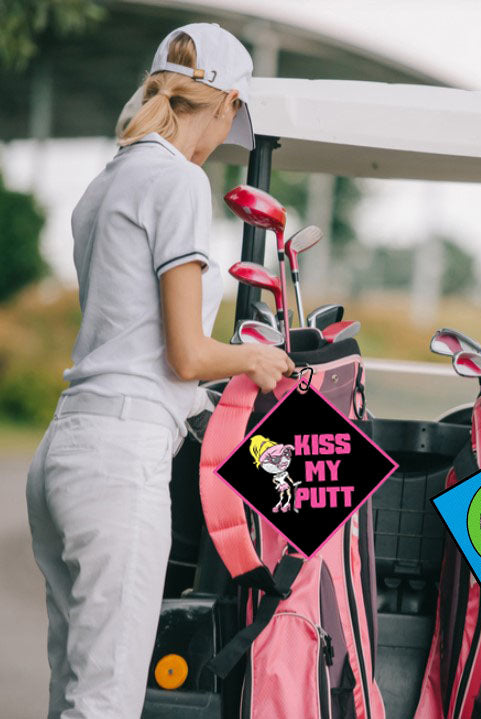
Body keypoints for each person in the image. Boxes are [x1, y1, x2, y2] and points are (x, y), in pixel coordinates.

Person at [25, 24, 295, 718]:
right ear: (228, 103)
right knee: (107, 699)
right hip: (121, 455)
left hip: (65, 449)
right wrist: (255, 357)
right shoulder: (178, 180)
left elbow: (138, 338)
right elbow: (187, 353)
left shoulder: (108, 179)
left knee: (74, 690)